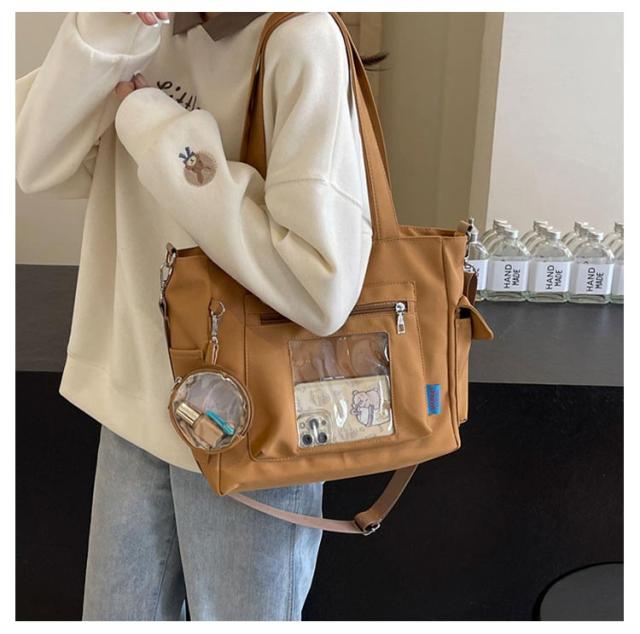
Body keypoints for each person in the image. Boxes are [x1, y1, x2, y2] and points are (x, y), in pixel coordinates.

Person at [16, 11, 374, 620]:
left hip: (252, 423)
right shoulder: (137, 28)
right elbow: (32, 162)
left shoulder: (299, 38)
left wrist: (159, 132)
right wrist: (109, 24)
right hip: (134, 403)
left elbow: (323, 287)